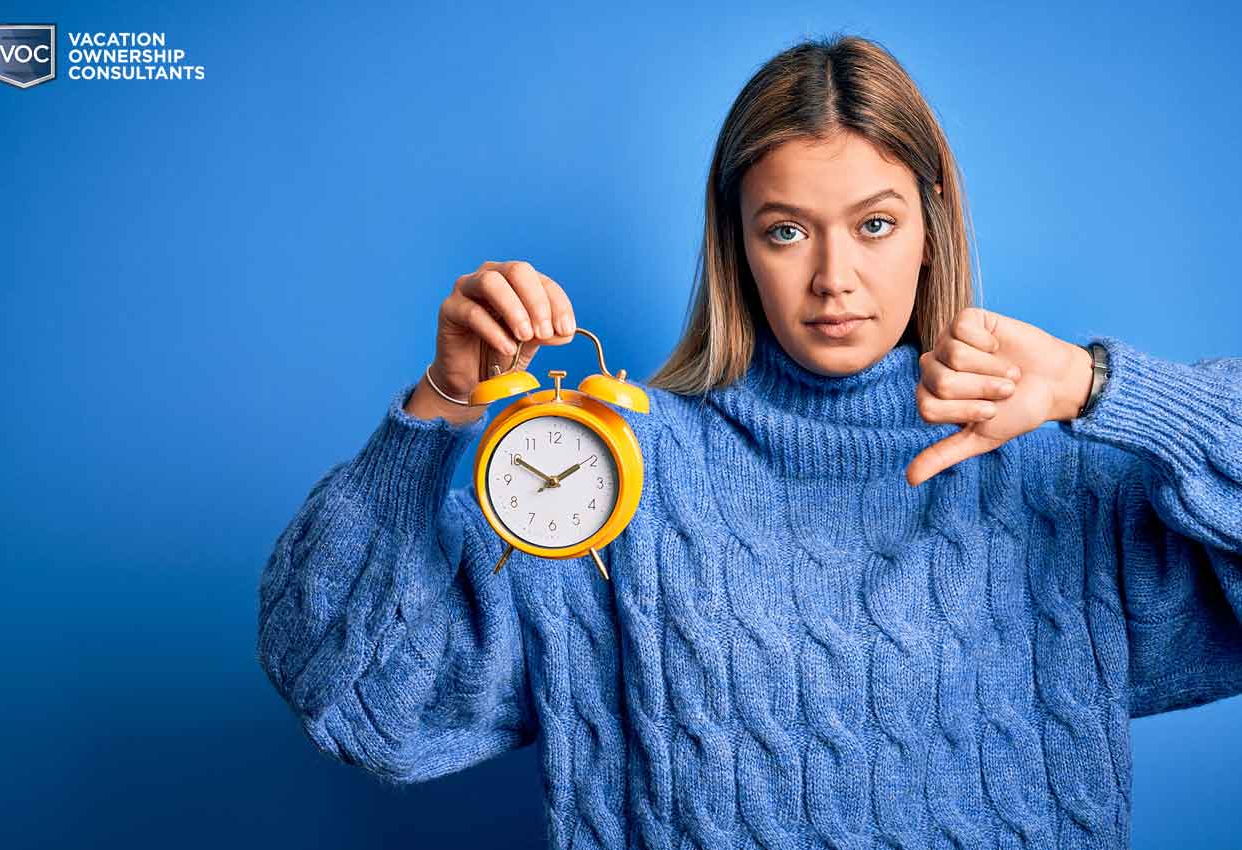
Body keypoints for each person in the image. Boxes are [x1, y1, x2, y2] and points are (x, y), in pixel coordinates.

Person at [256, 34, 1242, 849]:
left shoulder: (1055, 476)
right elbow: (355, 700)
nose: (834, 278)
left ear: (933, 226)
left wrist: (1106, 386)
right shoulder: (610, 476)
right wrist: (442, 403)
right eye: (786, 231)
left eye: (875, 224)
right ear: (735, 242)